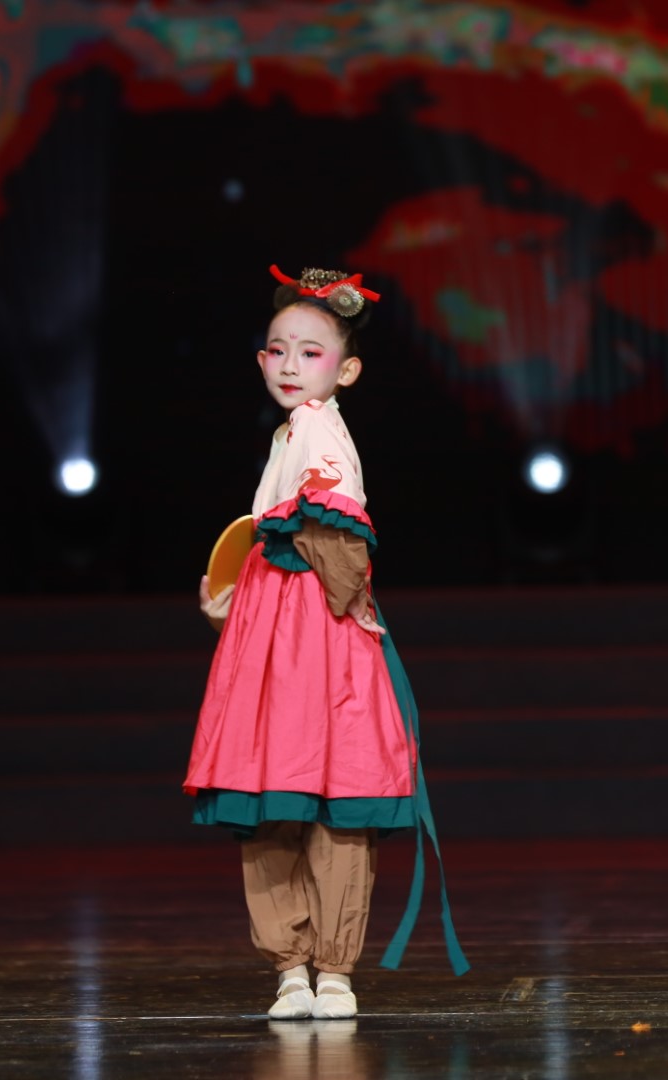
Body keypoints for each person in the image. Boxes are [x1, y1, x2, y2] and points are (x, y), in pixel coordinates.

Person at [189, 266, 466, 1019]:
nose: (289, 365)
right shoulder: (295, 430)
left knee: (294, 789)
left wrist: (329, 597)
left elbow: (336, 535)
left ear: (345, 370)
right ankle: (312, 973)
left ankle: (313, 971)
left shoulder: (315, 425)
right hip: (289, 631)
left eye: (309, 353)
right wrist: (238, 608)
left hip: (313, 634)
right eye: (277, 350)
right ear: (261, 359)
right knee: (304, 791)